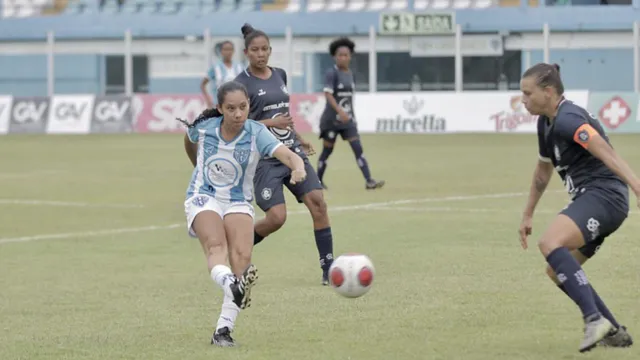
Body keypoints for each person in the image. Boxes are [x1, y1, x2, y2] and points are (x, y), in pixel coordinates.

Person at [517, 62, 637, 352]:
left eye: (528, 93)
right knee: (556, 270)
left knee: (550, 242)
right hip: (593, 199)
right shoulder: (545, 123)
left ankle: (593, 319)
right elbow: (542, 173)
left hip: (605, 197)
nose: (523, 100)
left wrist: (636, 184)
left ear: (548, 92)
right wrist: (528, 213)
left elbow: (606, 153)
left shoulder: (569, 118)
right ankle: (612, 330)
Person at [179, 81, 307, 347]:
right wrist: (196, 165)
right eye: (231, 108)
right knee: (216, 247)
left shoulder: (256, 132)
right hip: (204, 196)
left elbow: (290, 156)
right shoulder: (204, 128)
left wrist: (298, 168)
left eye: (243, 107)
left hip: (237, 200)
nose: (238, 114)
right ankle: (232, 285)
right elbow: (188, 140)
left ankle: (222, 332)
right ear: (220, 109)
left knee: (242, 260)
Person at [234, 23, 335, 285]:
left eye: (265, 49)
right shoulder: (240, 84)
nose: (261, 54)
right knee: (277, 218)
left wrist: (299, 139)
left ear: (270, 50)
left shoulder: (280, 74)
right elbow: (238, 123)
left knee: (318, 203)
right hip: (264, 160)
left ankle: (328, 268)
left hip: (291, 152)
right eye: (255, 50)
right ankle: (240, 244)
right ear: (246, 52)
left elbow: (284, 117)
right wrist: (271, 125)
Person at [317, 37, 384, 191]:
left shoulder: (350, 74)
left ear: (350, 56)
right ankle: (318, 181)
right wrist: (340, 111)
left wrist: (350, 116)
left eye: (346, 55)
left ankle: (369, 180)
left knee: (357, 147)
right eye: (340, 55)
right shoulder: (331, 73)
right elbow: (328, 95)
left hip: (348, 121)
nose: (343, 58)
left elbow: (349, 98)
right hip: (331, 120)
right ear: (334, 56)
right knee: (327, 151)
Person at [200, 40, 245, 108]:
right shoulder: (215, 67)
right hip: (219, 105)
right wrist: (208, 99)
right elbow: (203, 84)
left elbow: (247, 84)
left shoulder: (239, 67)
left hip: (236, 106)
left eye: (230, 49)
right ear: (221, 51)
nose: (228, 52)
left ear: (233, 51)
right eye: (226, 49)